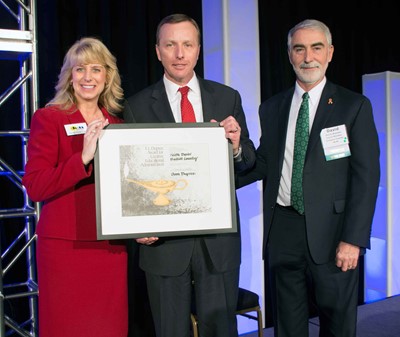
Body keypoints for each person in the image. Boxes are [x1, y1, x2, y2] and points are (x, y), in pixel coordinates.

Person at [238, 19, 380, 337]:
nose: (308, 57)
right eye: (299, 49)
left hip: (334, 234)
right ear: (289, 54)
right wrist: (232, 156)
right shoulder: (271, 108)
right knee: (287, 326)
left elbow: (367, 177)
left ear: (329, 53)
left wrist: (354, 239)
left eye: (316, 48)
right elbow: (264, 164)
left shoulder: (353, 106)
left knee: (338, 324)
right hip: (284, 231)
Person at [123, 13, 256, 337]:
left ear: (198, 50)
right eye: (170, 45)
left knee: (220, 329)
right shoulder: (137, 106)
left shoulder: (227, 98)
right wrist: (137, 225)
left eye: (187, 45)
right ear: (158, 51)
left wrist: (237, 146)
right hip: (163, 245)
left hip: (217, 241)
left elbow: (249, 162)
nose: (179, 54)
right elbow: (131, 178)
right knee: (170, 331)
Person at [22, 37, 128, 337]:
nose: (88, 77)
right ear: (69, 75)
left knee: (109, 328)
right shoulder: (49, 119)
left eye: (96, 69)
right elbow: (35, 186)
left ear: (107, 76)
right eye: (80, 69)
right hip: (64, 249)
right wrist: (82, 158)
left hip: (109, 249)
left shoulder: (117, 125)